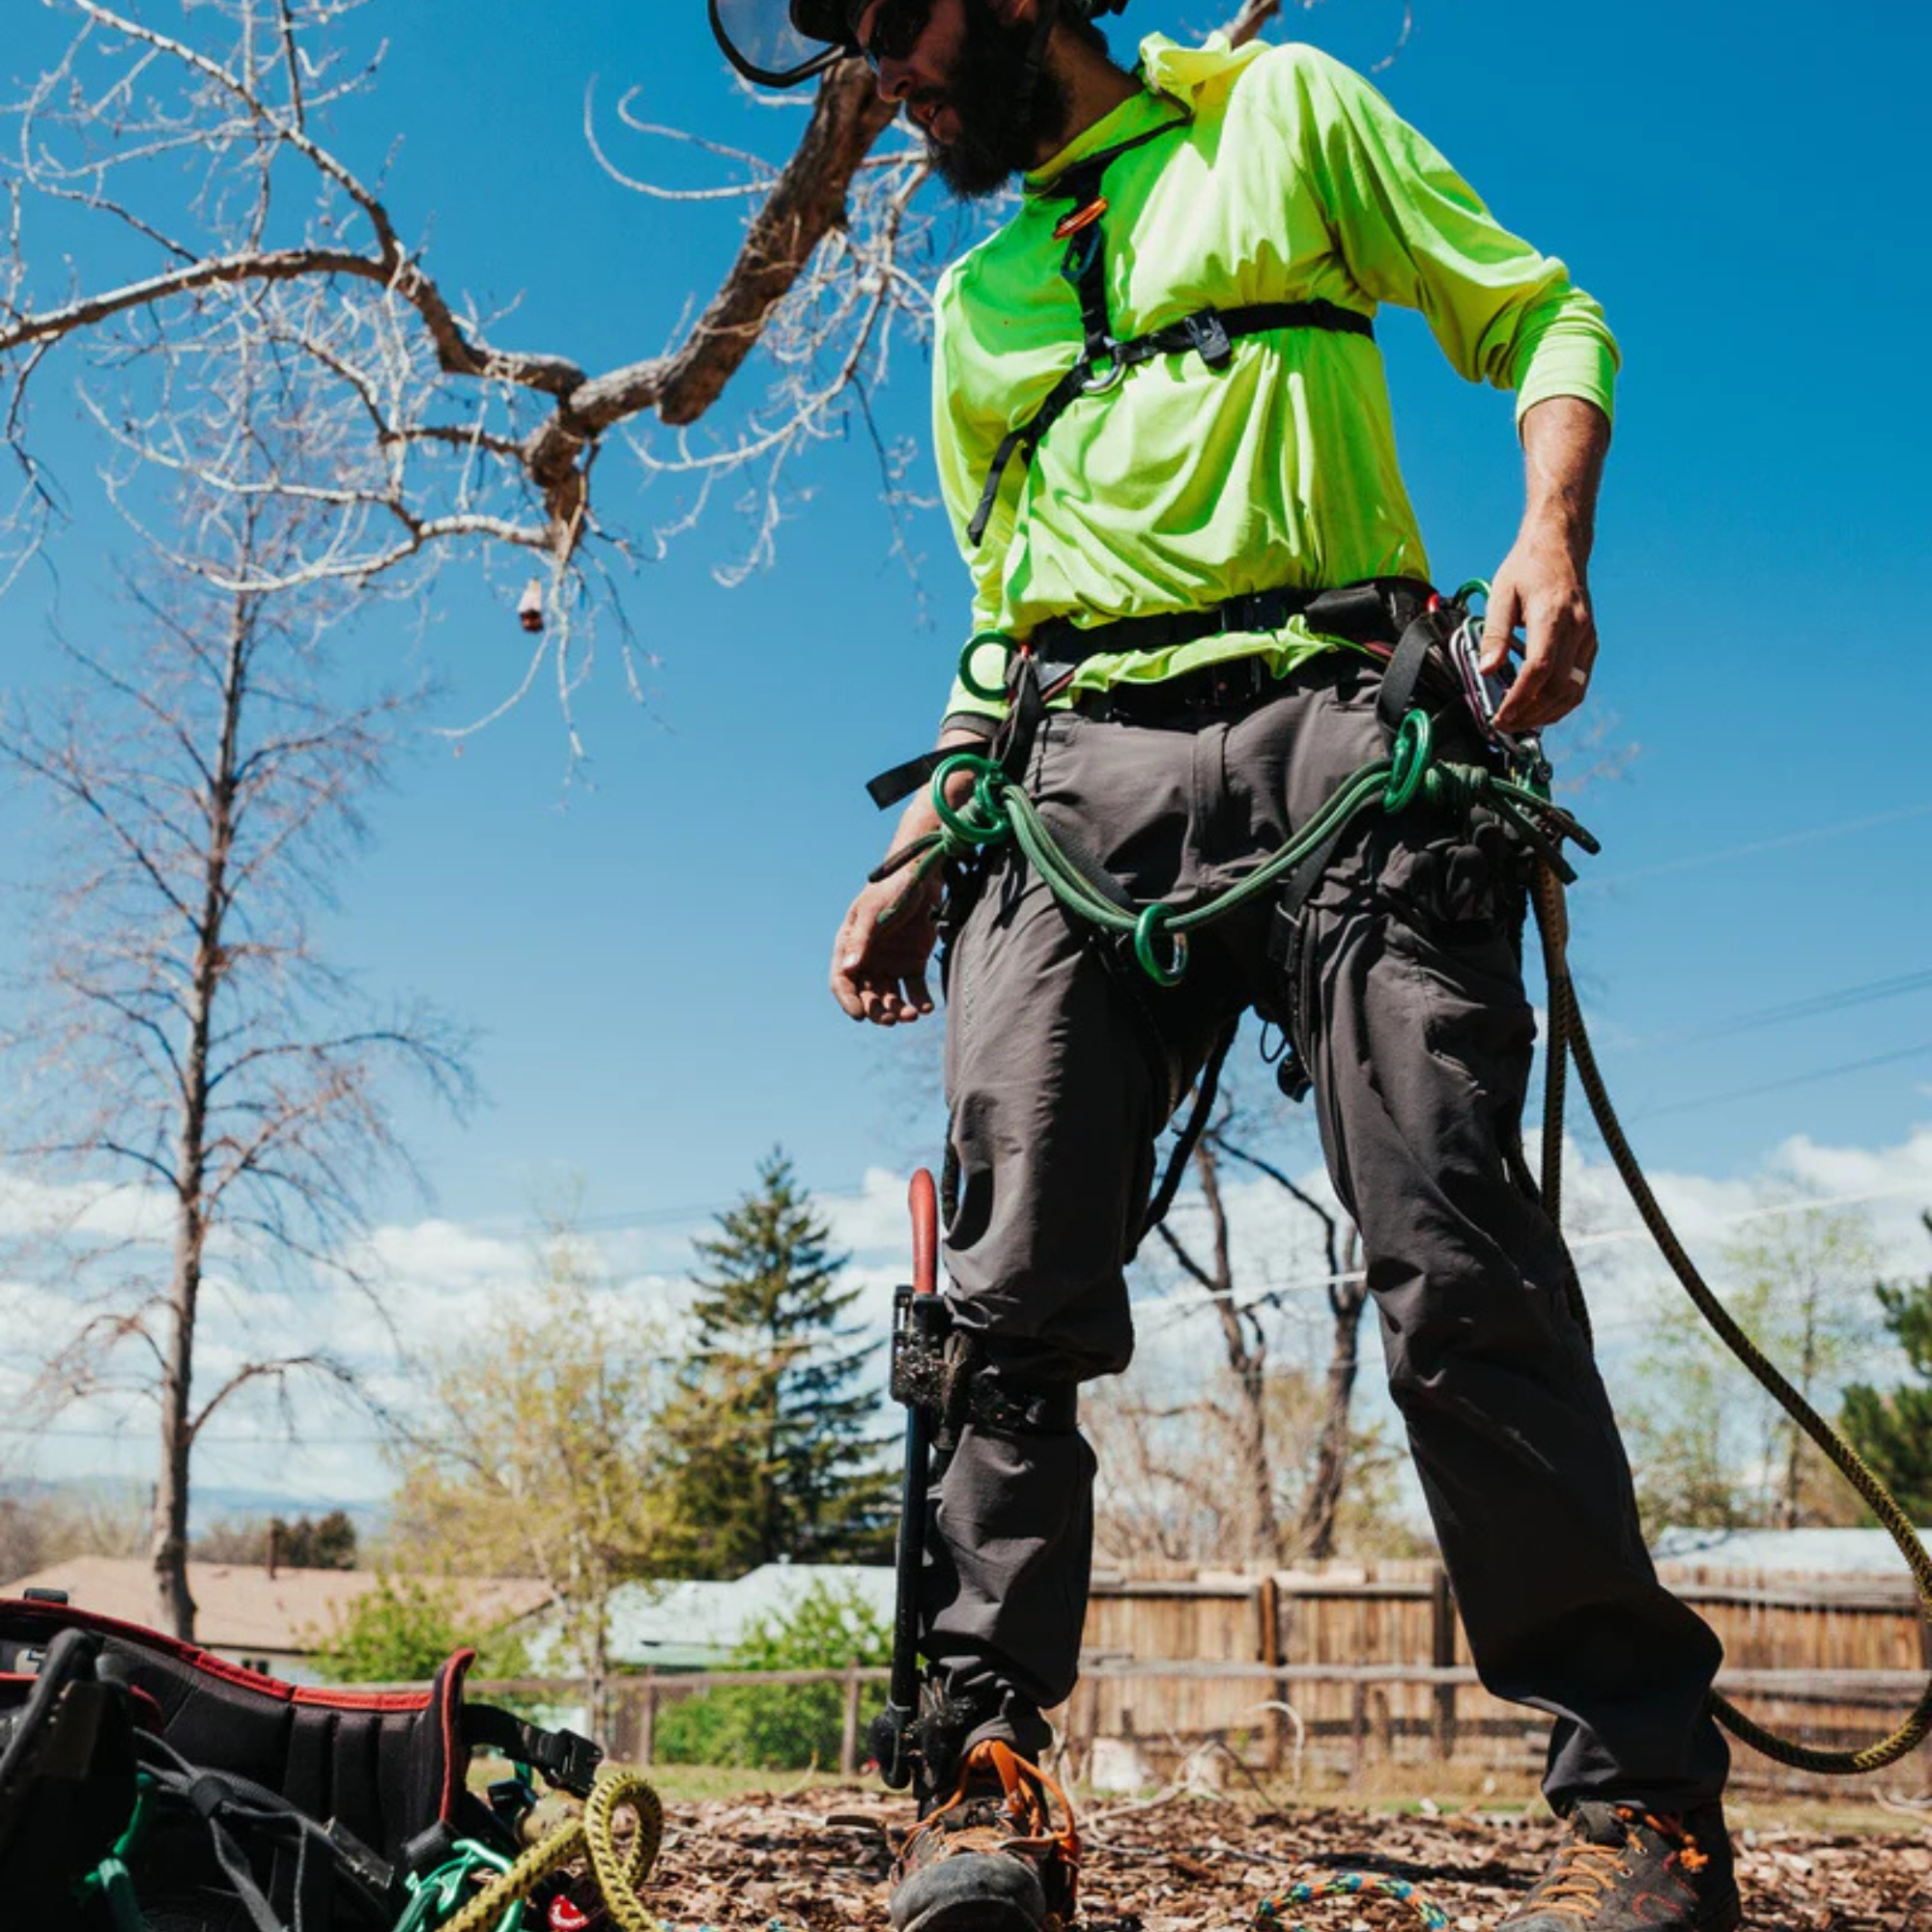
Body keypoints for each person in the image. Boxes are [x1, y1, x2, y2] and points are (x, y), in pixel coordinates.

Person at [792, 3, 1739, 1928]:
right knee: (997, 1292)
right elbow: (1004, 628)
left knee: (1455, 1247)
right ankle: (979, 1779)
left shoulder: (1283, 120)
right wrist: (910, 858)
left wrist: (1552, 526)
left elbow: (1546, 319)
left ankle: (1643, 1798)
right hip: (1066, 779)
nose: (877, 66)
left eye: (895, 16)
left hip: (1342, 722)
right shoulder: (972, 315)